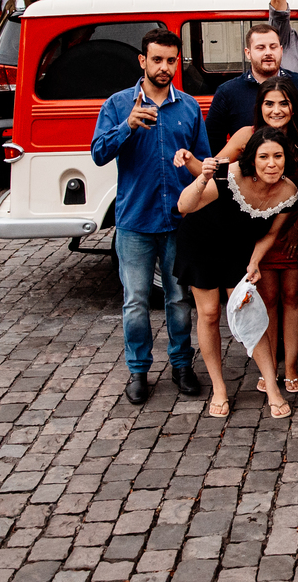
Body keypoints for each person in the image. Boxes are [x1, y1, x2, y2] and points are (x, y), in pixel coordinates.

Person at [91, 28, 209, 405]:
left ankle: (181, 366)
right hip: (135, 222)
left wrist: (194, 166)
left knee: (178, 299)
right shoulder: (118, 103)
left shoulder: (188, 107)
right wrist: (126, 125)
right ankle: (138, 372)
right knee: (136, 301)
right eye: (156, 60)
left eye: (171, 60)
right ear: (142, 60)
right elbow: (98, 153)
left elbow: (203, 167)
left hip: (177, 220)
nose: (164, 67)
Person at [175, 128, 298, 419]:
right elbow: (183, 206)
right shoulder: (227, 176)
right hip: (201, 243)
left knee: (249, 313)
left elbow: (270, 234)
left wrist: (254, 262)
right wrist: (203, 177)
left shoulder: (289, 192)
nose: (271, 163)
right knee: (208, 314)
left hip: (239, 251)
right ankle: (219, 387)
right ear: (252, 161)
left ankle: (272, 386)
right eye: (264, 157)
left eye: (278, 156)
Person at [205, 24, 298, 151]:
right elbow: (212, 144)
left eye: (273, 47)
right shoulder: (227, 92)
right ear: (248, 53)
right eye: (260, 48)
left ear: (281, 50)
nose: (268, 53)